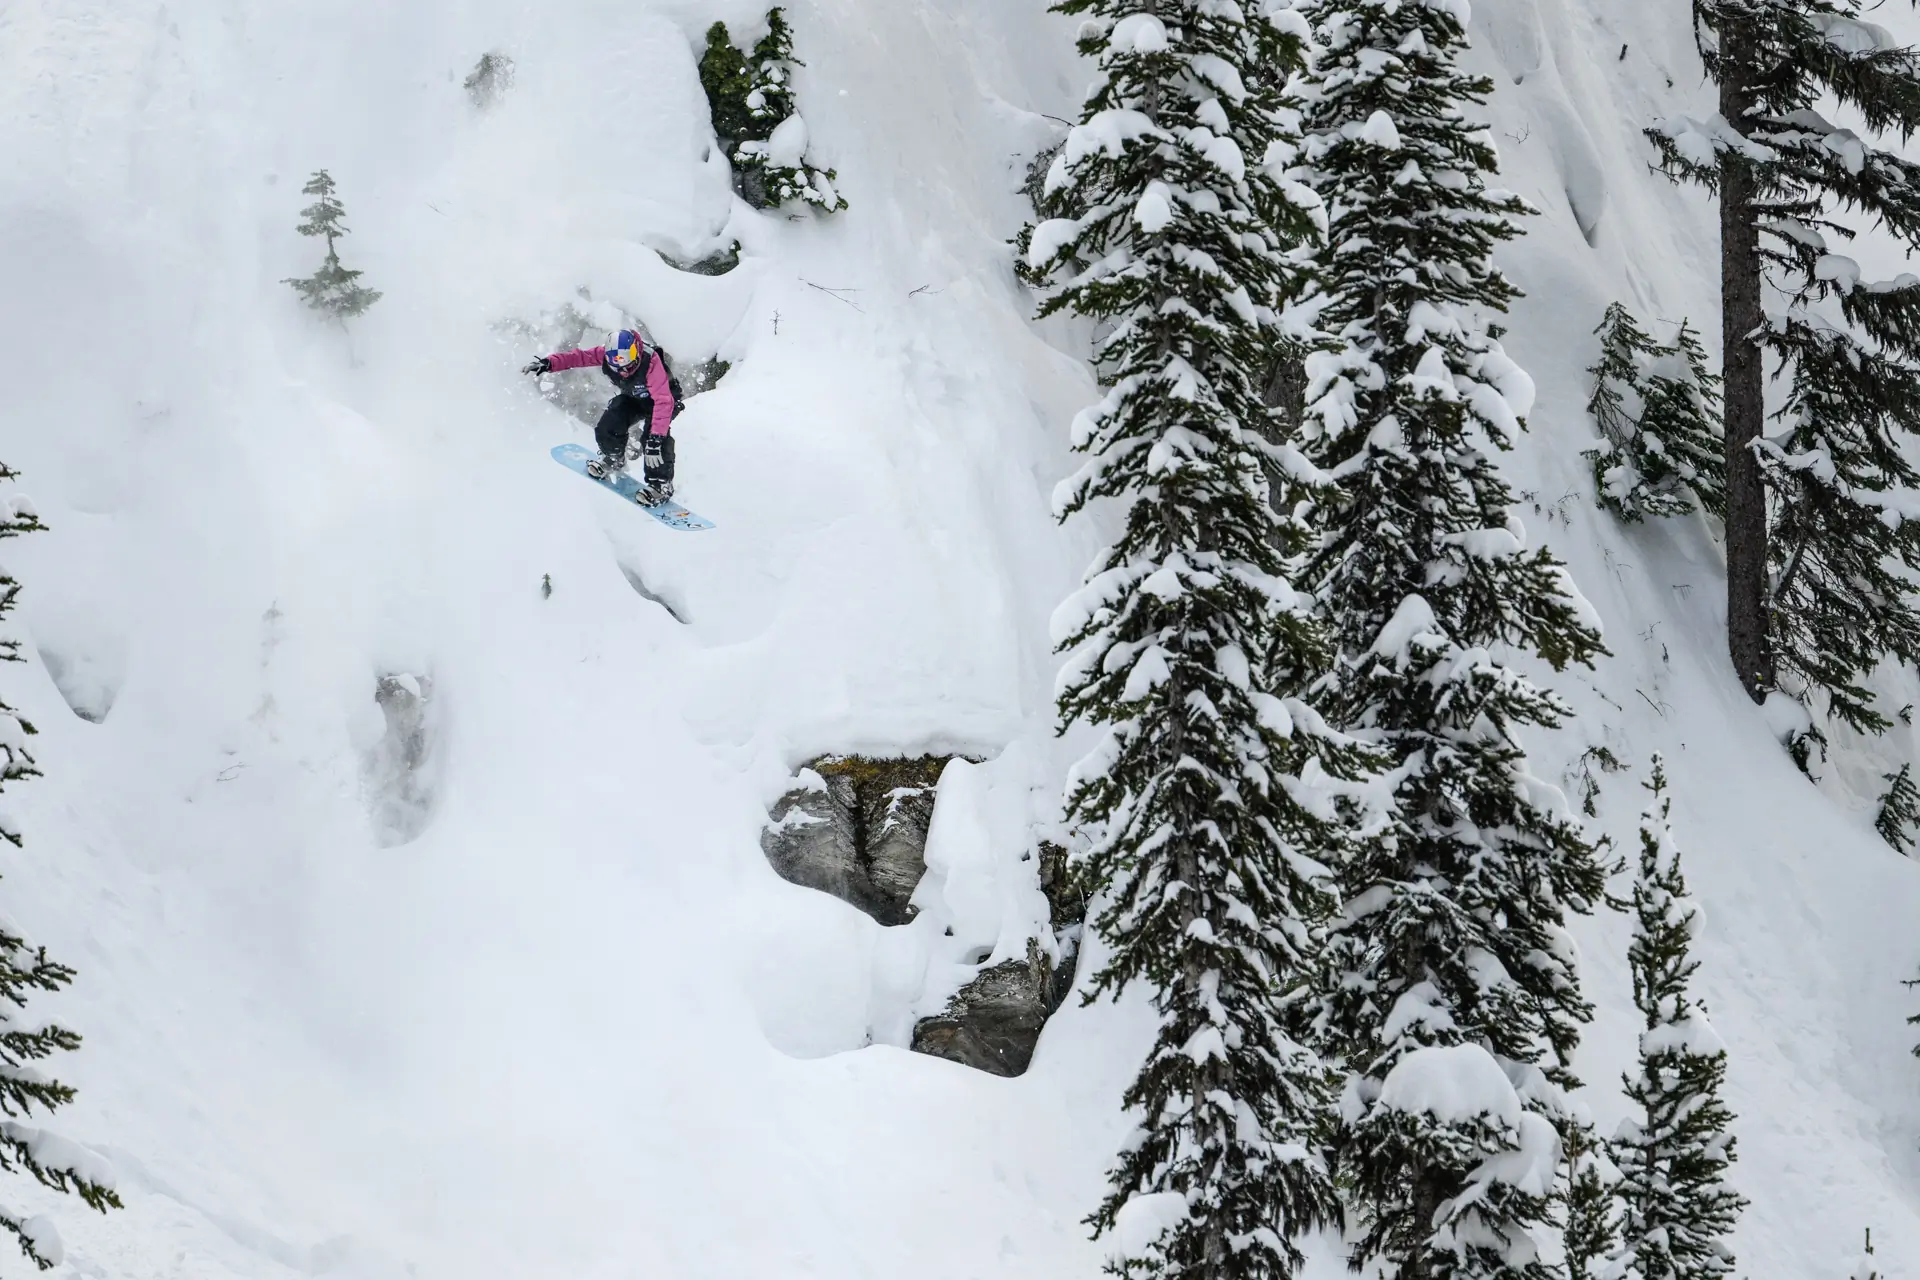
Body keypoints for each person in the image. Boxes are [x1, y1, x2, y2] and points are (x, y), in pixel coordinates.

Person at [523, 329, 682, 501]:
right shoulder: (605, 356)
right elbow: (578, 357)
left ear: (637, 350)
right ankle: (613, 458)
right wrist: (550, 363)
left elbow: (663, 401)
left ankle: (661, 485)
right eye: (614, 359)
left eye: (625, 358)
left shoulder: (649, 362)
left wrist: (655, 438)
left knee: (653, 441)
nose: (621, 365)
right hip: (635, 398)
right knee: (610, 421)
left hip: (665, 400)